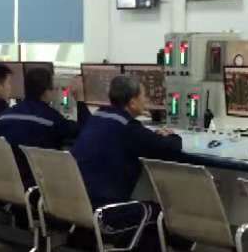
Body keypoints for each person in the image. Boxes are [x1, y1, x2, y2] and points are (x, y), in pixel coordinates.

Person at [71, 73, 183, 206]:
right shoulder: (129, 128)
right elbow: (171, 148)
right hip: (105, 208)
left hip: (77, 203)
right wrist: (172, 135)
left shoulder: (98, 116)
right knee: (162, 211)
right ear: (132, 103)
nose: (146, 100)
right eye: (143, 96)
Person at [0, 65, 86, 185]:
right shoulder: (50, 119)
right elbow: (84, 132)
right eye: (53, 89)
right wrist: (80, 100)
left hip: (8, 183)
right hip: (41, 184)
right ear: (46, 92)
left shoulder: (2, 117)